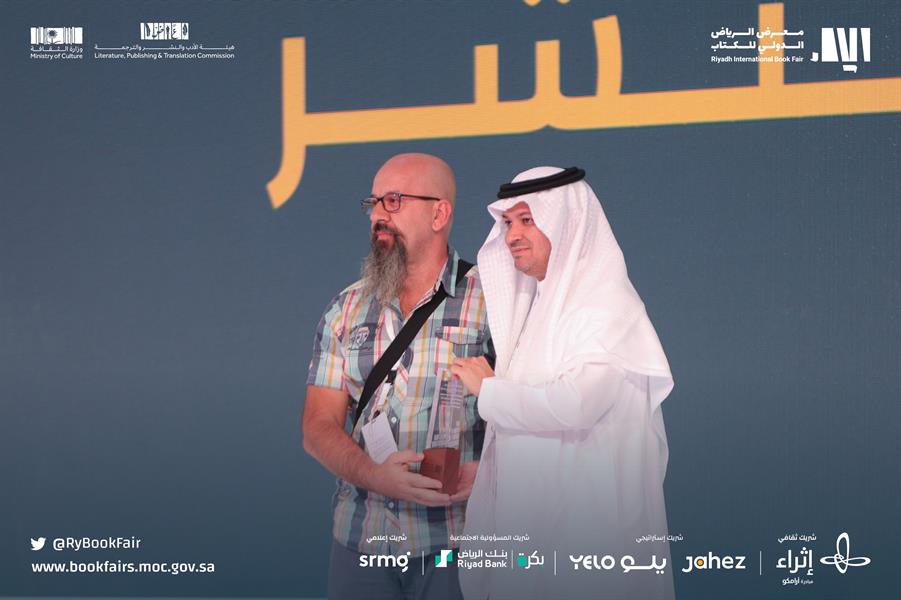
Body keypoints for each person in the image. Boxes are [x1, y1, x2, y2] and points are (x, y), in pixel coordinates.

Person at [451, 166, 675, 600]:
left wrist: (490, 390)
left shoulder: (605, 307)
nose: (513, 235)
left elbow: (578, 404)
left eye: (527, 220)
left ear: (567, 223)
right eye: (508, 223)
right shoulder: (538, 309)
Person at [302, 153, 491, 600]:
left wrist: (488, 473)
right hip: (360, 544)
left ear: (439, 214)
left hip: (456, 546)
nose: (377, 216)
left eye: (393, 201)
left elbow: (530, 418)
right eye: (373, 203)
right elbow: (316, 426)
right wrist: (375, 475)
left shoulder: (493, 302)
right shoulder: (345, 308)